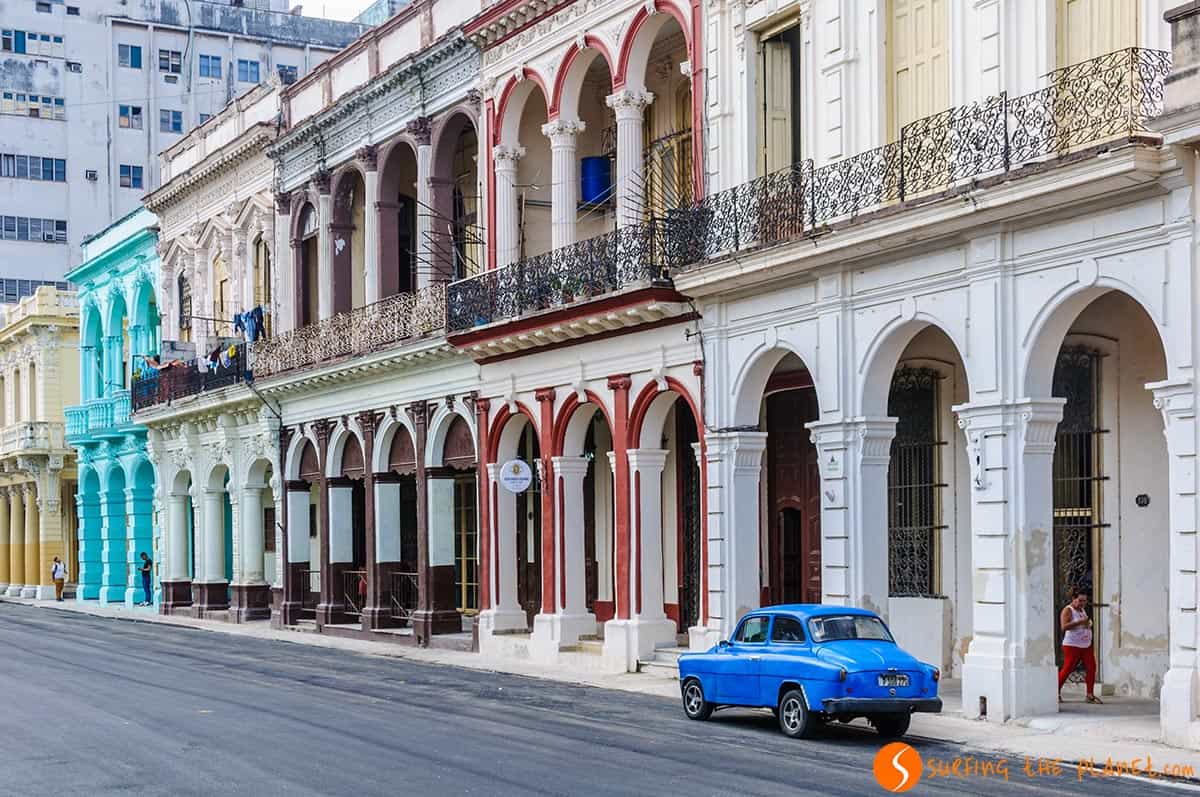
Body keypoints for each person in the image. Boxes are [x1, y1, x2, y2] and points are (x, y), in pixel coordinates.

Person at [1058, 587, 1102, 704]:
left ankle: (1090, 695)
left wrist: (1088, 625)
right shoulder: (1068, 610)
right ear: (1073, 599)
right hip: (1072, 645)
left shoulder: (1082, 610)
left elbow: (1083, 624)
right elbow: (1064, 627)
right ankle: (1055, 692)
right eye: (1080, 600)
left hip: (1085, 644)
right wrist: (1080, 623)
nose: (1083, 603)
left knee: (1092, 667)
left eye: (1084, 601)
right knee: (1068, 669)